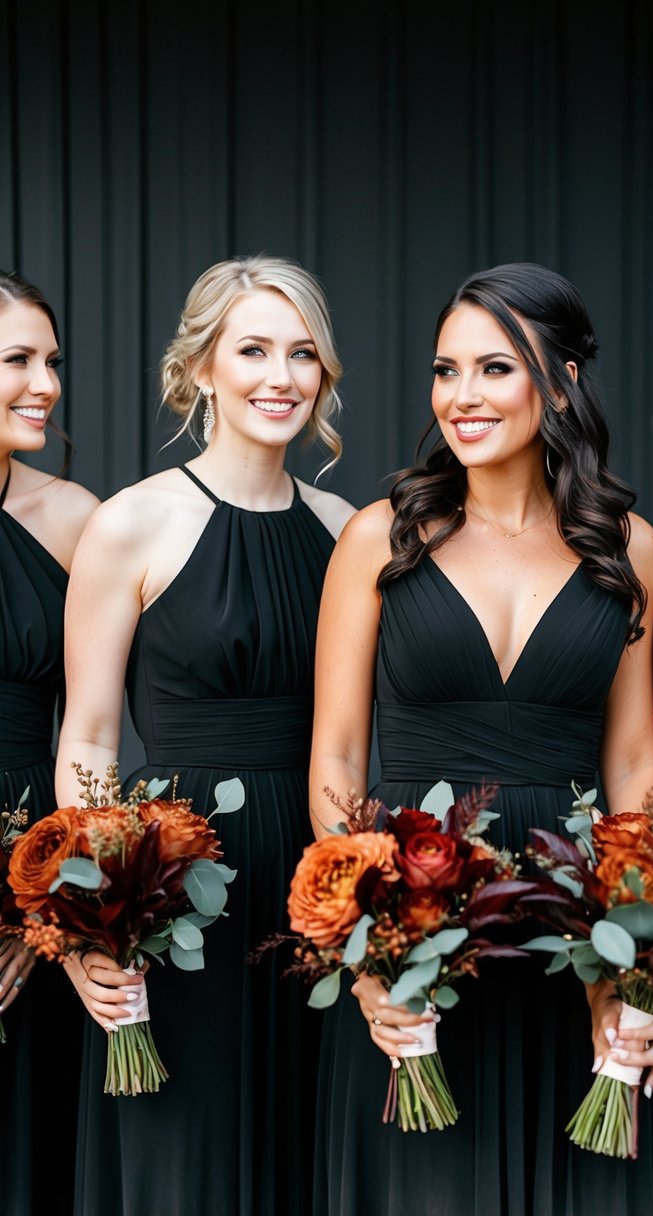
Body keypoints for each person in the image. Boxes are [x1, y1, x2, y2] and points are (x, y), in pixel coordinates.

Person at [310, 263, 653, 1216]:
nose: (461, 397)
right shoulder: (378, 540)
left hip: (575, 917)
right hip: (418, 905)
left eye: (494, 369)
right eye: (445, 370)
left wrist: (637, 947)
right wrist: (372, 939)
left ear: (558, 382)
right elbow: (338, 758)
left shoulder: (627, 544)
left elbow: (636, 763)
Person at [56, 255, 354, 1216]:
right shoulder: (130, 525)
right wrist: (96, 915)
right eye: (254, 349)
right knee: (182, 1151)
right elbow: (91, 738)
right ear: (201, 370)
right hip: (175, 878)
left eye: (302, 354)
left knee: (310, 1142)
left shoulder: (350, 531)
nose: (282, 377)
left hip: (312, 873)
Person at [0, 270, 98, 1216]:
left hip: (35, 857)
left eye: (51, 360)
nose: (46, 384)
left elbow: (95, 726)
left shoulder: (71, 520)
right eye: (18, 360)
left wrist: (49, 913)